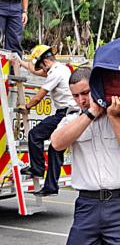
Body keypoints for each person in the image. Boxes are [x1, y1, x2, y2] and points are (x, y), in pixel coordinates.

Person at [51, 68, 120, 245]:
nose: (82, 100)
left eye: (86, 93)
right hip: (88, 204)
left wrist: (113, 117)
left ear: (96, 87)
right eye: (76, 96)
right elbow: (57, 143)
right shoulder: (72, 119)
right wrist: (91, 114)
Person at [18, 45, 77, 197]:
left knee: (35, 134)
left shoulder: (56, 73)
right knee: (55, 149)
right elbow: (35, 71)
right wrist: (19, 61)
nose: (41, 70)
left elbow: (39, 96)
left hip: (65, 113)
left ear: (45, 62)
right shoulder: (62, 69)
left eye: (41, 66)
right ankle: (51, 186)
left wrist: (26, 106)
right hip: (70, 113)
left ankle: (37, 169)